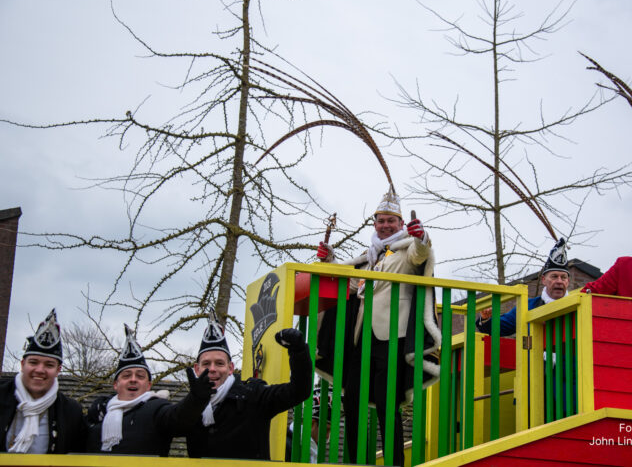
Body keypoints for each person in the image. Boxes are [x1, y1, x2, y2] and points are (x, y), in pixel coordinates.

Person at [315, 188, 441, 466]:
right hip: (363, 336)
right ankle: (356, 462)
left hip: (394, 335)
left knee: (386, 403)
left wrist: (422, 237)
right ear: (374, 224)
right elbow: (350, 284)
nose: (385, 225)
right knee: (353, 399)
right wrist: (329, 261)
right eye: (381, 221)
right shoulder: (370, 255)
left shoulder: (407, 249)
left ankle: (395, 463)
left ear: (400, 224)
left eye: (391, 221)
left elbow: (421, 254)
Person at [186, 311, 313, 460]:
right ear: (197, 369)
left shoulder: (254, 396)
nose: (212, 369)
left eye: (219, 363)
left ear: (230, 368)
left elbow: (299, 390)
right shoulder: (189, 407)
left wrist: (298, 352)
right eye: (206, 364)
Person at [86, 324, 215, 456]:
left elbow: (179, 418)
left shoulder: (157, 409)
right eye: (126, 375)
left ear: (148, 385)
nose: (133, 379)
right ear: (115, 384)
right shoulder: (98, 412)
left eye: (140, 376)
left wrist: (196, 398)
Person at [0, 309, 86, 454]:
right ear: (22, 364)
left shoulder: (71, 412)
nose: (40, 370)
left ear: (58, 370)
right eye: (33, 362)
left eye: (49, 365)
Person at [477, 238, 570, 336]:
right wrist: (485, 318)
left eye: (563, 277)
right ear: (543, 280)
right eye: (554, 276)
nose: (559, 281)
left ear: (568, 281)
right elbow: (498, 328)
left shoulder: (577, 304)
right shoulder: (528, 306)